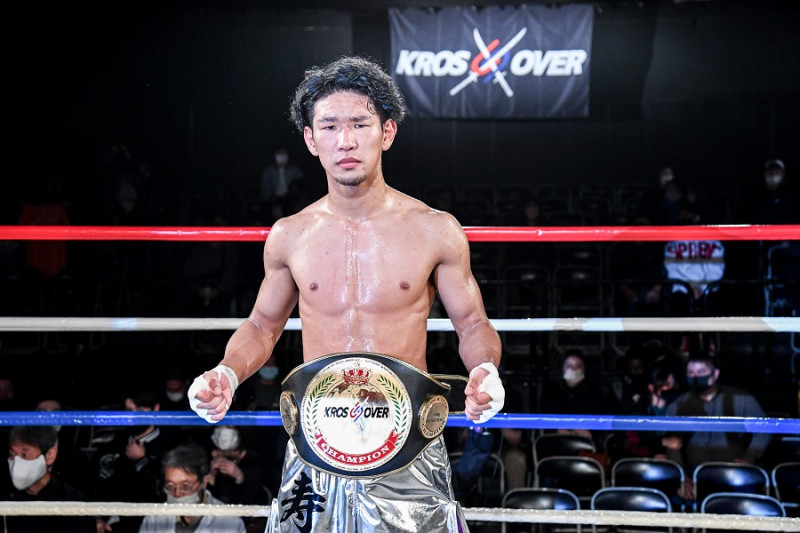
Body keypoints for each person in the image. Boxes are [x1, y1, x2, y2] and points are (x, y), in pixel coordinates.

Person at [189, 55, 504, 532]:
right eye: (330, 126)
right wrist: (227, 372)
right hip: (316, 438)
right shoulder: (290, 235)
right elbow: (262, 325)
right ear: (311, 140)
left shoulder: (435, 230)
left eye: (360, 124)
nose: (346, 140)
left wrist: (484, 368)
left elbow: (473, 323)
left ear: (387, 132)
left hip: (407, 438)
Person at [662, 353, 772, 475]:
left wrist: (750, 457)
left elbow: (764, 429)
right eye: (691, 373)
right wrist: (681, 474)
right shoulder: (680, 403)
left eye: (701, 372)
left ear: (715, 374)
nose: (695, 377)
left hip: (733, 470)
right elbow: (670, 440)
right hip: (693, 471)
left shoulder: (741, 398)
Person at [94, 389, 181, 533]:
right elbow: (96, 484)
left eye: (140, 410)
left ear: (155, 408)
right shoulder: (115, 443)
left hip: (152, 524)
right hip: (113, 523)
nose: (133, 416)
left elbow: (167, 492)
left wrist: (142, 462)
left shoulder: (170, 447)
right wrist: (97, 517)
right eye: (129, 410)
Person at [1, 425, 96, 532]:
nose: (17, 463)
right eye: (12, 455)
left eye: (24, 454)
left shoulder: (75, 503)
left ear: (49, 455)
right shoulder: (4, 498)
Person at [138, 442, 246, 533]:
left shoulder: (230, 522)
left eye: (185, 486)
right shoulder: (154, 519)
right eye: (170, 486)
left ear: (204, 481)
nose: (177, 494)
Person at [206, 426, 270, 533]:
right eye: (221, 426)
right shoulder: (205, 457)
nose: (224, 432)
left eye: (229, 426)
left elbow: (251, 500)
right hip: (214, 521)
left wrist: (239, 477)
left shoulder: (253, 461)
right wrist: (211, 476)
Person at [260, 145, 306, 221]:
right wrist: (273, 202)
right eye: (279, 154)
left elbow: (300, 188)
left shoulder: (295, 170)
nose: (281, 157)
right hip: (274, 201)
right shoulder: (268, 172)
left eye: (283, 154)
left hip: (291, 200)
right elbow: (266, 191)